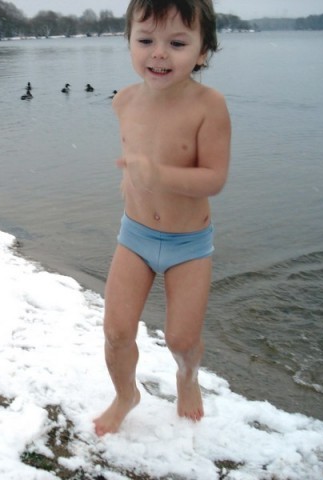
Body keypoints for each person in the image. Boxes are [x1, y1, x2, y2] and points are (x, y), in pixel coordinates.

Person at [93, 0, 231, 437]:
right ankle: (125, 395)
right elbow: (135, 160)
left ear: (203, 51)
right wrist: (134, 184)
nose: (158, 53)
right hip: (134, 234)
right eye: (145, 40)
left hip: (188, 244)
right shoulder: (123, 101)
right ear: (128, 41)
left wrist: (158, 175)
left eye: (177, 43)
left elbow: (214, 178)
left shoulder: (209, 106)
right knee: (116, 331)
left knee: (181, 340)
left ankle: (187, 377)